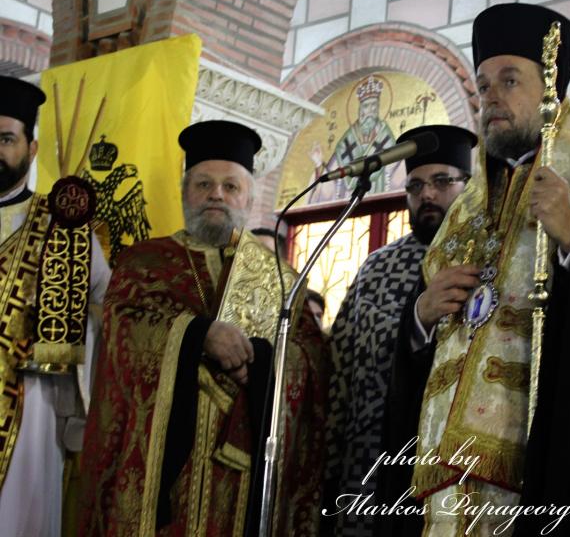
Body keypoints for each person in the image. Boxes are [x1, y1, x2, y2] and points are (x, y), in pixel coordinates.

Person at [376, 4, 570, 536]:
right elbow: (430, 347)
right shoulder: (464, 211)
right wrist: (421, 316)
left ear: (550, 88)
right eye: (483, 85)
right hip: (444, 474)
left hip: (544, 473)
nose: (491, 97)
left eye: (509, 80)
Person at [78, 120, 330, 536]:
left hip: (241, 473)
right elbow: (122, 334)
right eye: (204, 184)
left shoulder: (280, 279)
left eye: (230, 186)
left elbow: (312, 358)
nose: (217, 194)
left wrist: (262, 361)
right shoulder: (144, 263)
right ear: (185, 192)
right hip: (158, 465)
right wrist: (198, 335)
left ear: (249, 197)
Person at [321, 124, 476, 537]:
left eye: (442, 182)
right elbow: (340, 370)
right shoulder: (378, 268)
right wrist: (329, 467)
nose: (427, 195)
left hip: (459, 462)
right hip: (372, 463)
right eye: (415, 186)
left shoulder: (489, 256)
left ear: (469, 186)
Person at [0, 75, 111, 535]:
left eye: (6, 139)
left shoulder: (61, 223)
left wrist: (61, 319)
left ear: (32, 148)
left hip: (29, 405)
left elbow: (108, 306)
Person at [309, 75, 400, 203]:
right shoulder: (347, 141)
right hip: (348, 202)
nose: (371, 111)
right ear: (360, 110)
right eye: (366, 106)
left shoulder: (385, 138)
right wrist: (319, 164)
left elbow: (398, 173)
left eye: (374, 106)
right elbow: (332, 179)